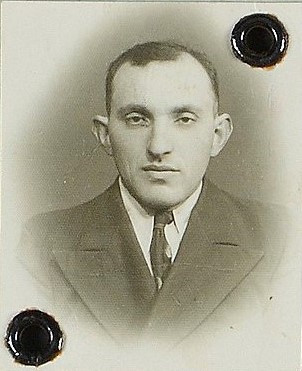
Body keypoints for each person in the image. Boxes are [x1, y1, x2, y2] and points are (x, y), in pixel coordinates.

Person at [19, 41, 267, 346]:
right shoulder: (41, 244)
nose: (158, 146)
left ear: (217, 135)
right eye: (137, 119)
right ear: (105, 135)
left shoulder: (282, 239)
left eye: (184, 119)